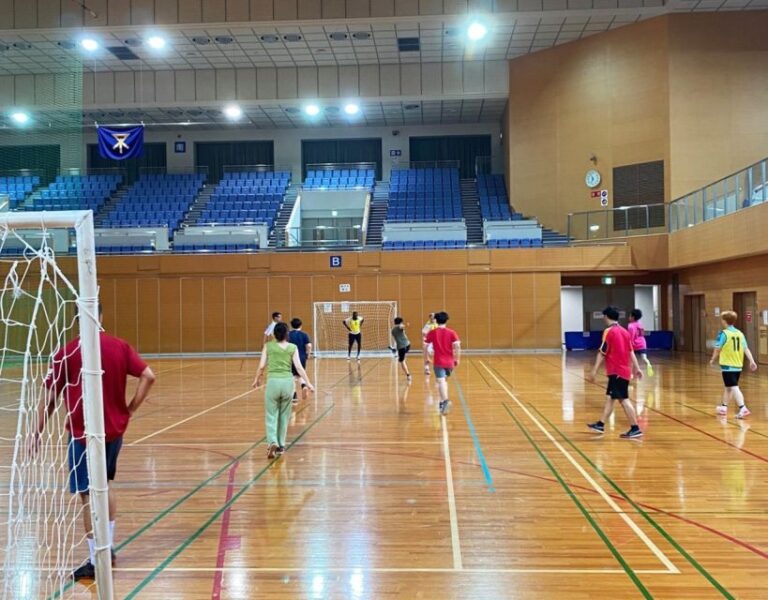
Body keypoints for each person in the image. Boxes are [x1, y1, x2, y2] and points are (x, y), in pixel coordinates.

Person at [37, 304, 156, 581]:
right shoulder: (119, 346)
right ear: (101, 316)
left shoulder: (66, 352)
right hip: (114, 431)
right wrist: (130, 409)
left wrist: (37, 430)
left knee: (88, 495)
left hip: (83, 435)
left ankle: (95, 559)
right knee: (105, 483)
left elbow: (51, 395)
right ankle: (108, 545)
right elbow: (149, 376)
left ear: (77, 318)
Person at [253, 322, 314, 458]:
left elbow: (262, 366)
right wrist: (308, 383)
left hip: (273, 383)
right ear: (287, 334)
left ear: (274, 334)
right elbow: (299, 368)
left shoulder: (268, 346)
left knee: (271, 415)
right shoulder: (292, 347)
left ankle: (272, 442)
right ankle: (281, 445)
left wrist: (256, 379)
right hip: (288, 383)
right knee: (284, 416)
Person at [587, 306, 644, 439]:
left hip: (616, 371)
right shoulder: (625, 332)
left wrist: (594, 370)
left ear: (606, 316)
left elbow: (602, 352)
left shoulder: (609, 331)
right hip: (623, 370)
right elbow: (631, 352)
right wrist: (637, 368)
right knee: (611, 398)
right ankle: (601, 424)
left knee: (623, 400)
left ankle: (635, 428)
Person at [710, 310, 757, 419]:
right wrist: (752, 360)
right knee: (728, 387)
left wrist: (712, 359)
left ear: (724, 321)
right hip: (738, 365)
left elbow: (717, 349)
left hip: (727, 365)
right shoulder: (739, 333)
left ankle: (743, 408)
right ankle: (724, 407)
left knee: (734, 387)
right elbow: (746, 348)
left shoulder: (723, 333)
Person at [424, 312, 461, 414]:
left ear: (436, 320)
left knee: (440, 381)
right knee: (443, 381)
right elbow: (457, 346)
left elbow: (426, 346)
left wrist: (426, 357)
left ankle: (445, 400)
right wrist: (457, 358)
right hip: (450, 362)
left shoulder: (432, 333)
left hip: (439, 362)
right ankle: (441, 401)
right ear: (446, 320)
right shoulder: (452, 332)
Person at [288, 318, 312, 404]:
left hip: (291, 357)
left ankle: (294, 396)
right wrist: (308, 354)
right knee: (300, 373)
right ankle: (303, 385)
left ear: (291, 325)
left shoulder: (288, 334)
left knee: (292, 376)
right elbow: (309, 345)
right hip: (302, 357)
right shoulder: (304, 334)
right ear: (301, 325)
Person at [629, 309, 654, 376]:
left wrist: (630, 343)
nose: (629, 317)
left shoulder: (631, 326)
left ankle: (631, 374)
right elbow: (642, 333)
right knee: (644, 358)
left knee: (632, 359)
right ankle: (648, 364)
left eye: (630, 315)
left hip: (634, 344)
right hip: (642, 343)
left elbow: (631, 336)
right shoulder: (640, 324)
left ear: (633, 317)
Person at [391, 317, 412, 382]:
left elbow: (400, 328)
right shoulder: (398, 327)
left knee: (402, 361)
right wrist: (404, 325)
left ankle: (408, 375)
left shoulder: (393, 330)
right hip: (408, 345)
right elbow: (401, 327)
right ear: (401, 322)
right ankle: (402, 357)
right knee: (402, 359)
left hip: (401, 347)